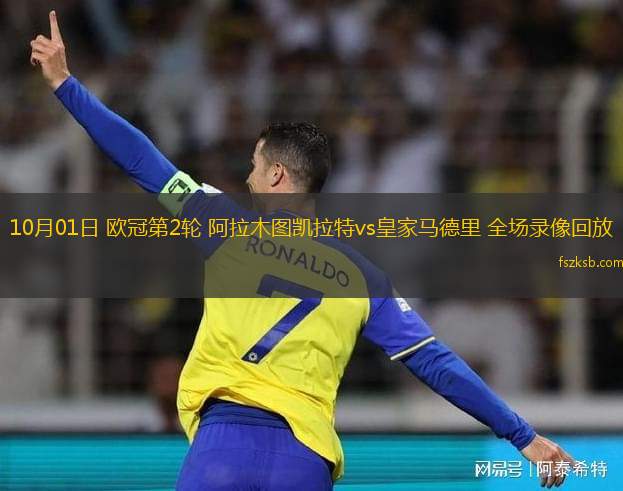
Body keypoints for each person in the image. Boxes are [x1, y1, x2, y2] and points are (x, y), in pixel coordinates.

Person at [30, 11, 574, 490]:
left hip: (222, 447)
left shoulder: (222, 225)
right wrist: (522, 435)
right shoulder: (364, 279)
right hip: (303, 457)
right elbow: (435, 361)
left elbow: (141, 160)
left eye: (254, 165)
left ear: (277, 175)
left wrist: (65, 84)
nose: (248, 176)